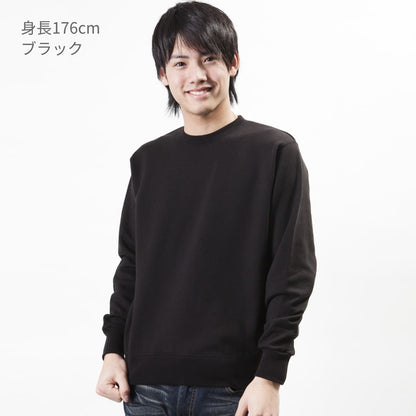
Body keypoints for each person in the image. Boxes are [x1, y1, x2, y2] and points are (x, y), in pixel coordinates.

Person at [96, 2, 317, 415]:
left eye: (209, 58)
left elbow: (292, 271)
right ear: (163, 74)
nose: (196, 75)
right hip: (144, 387)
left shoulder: (274, 152)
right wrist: (113, 351)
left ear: (233, 63)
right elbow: (132, 265)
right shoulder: (148, 161)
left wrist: (270, 375)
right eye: (180, 63)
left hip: (233, 389)